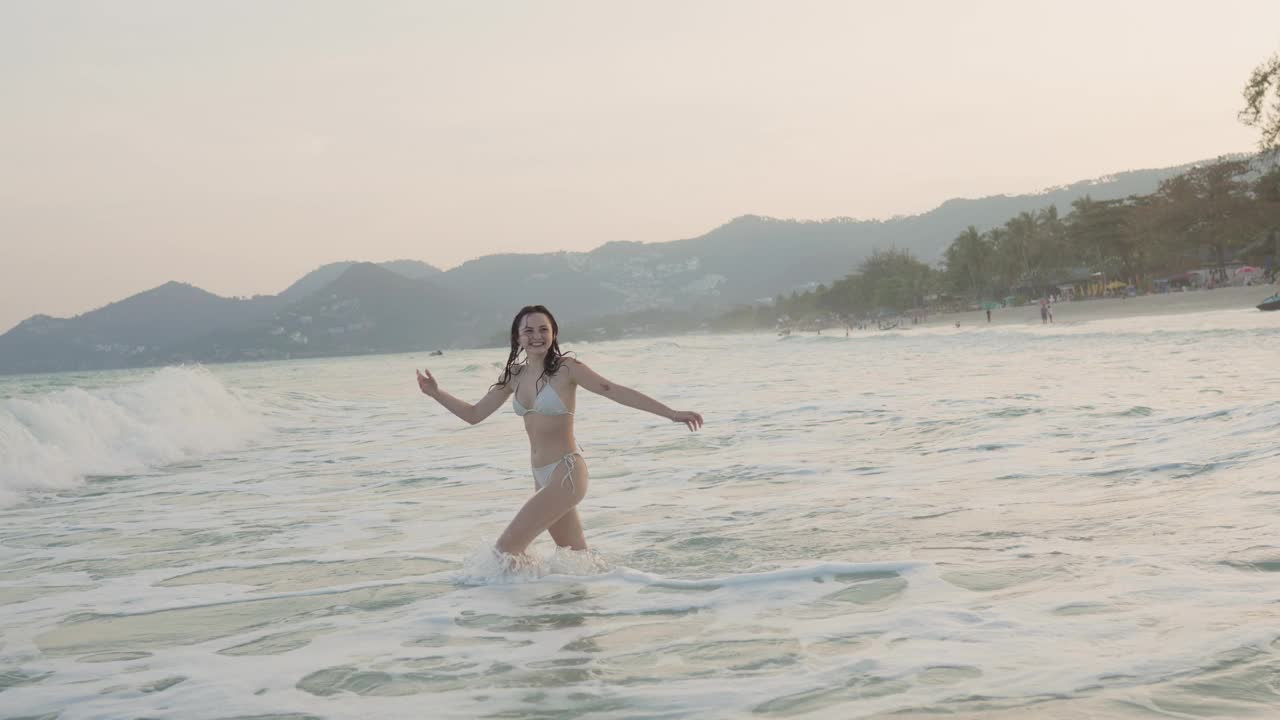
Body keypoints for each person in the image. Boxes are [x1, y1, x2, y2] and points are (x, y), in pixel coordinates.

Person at [416, 304, 703, 563]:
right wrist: (436, 393)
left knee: (503, 554)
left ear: (554, 334)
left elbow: (614, 391)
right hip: (541, 477)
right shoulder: (513, 376)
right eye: (528, 331)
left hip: (566, 473)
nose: (536, 336)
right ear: (517, 338)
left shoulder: (567, 369)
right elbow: (474, 415)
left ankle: (513, 616)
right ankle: (590, 609)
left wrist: (672, 414)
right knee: (579, 564)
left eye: (544, 329)